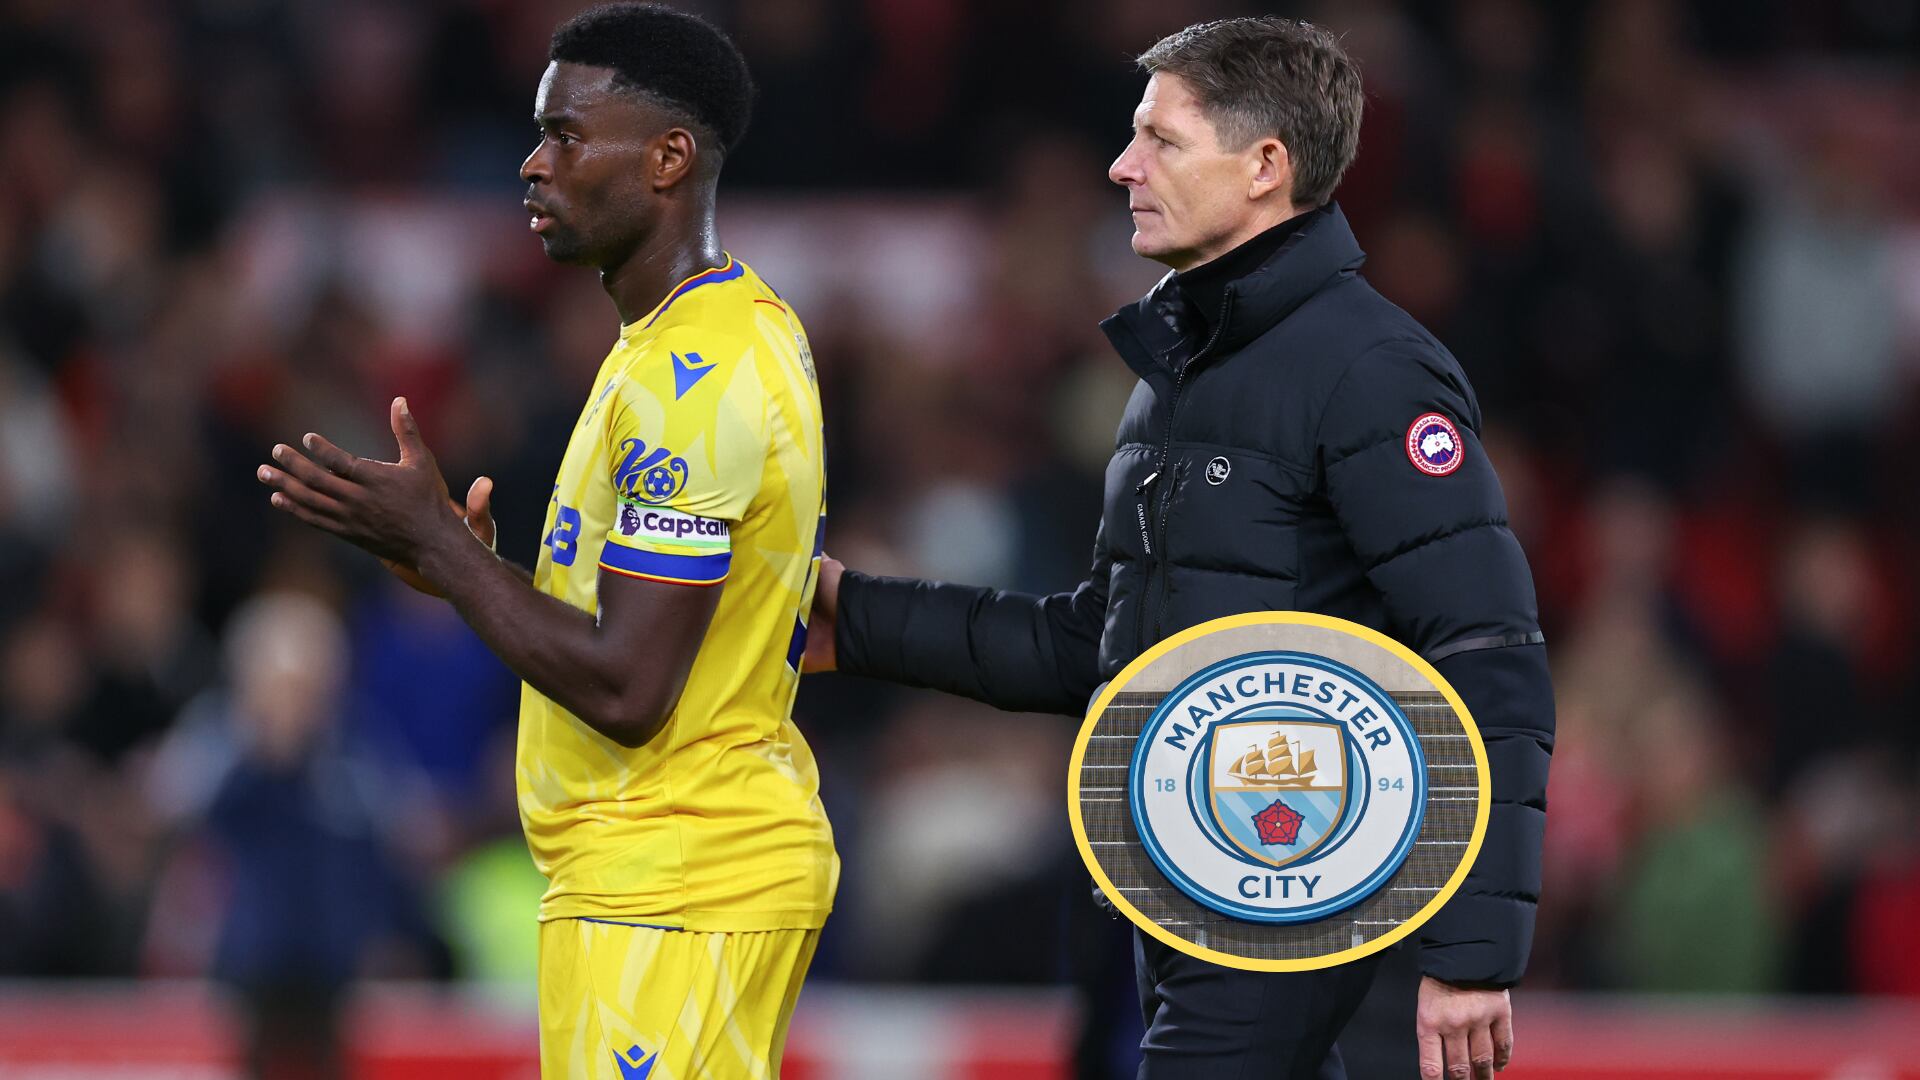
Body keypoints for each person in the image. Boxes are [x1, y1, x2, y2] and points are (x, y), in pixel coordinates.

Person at [807, 17, 1553, 1080]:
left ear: (1265, 166)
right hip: (1192, 901)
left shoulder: (1372, 370)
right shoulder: (1175, 381)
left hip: (1319, 915)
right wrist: (857, 619)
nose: (1124, 166)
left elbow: (1489, 654)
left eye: (1161, 139)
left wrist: (1476, 954)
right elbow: (1099, 649)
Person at [256, 5, 835, 1077]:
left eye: (566, 136)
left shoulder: (692, 379)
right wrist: (461, 569)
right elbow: (656, 631)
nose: (532, 164)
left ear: (668, 158)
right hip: (657, 876)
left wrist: (447, 552)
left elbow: (629, 685)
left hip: (676, 878)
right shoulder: (699, 338)